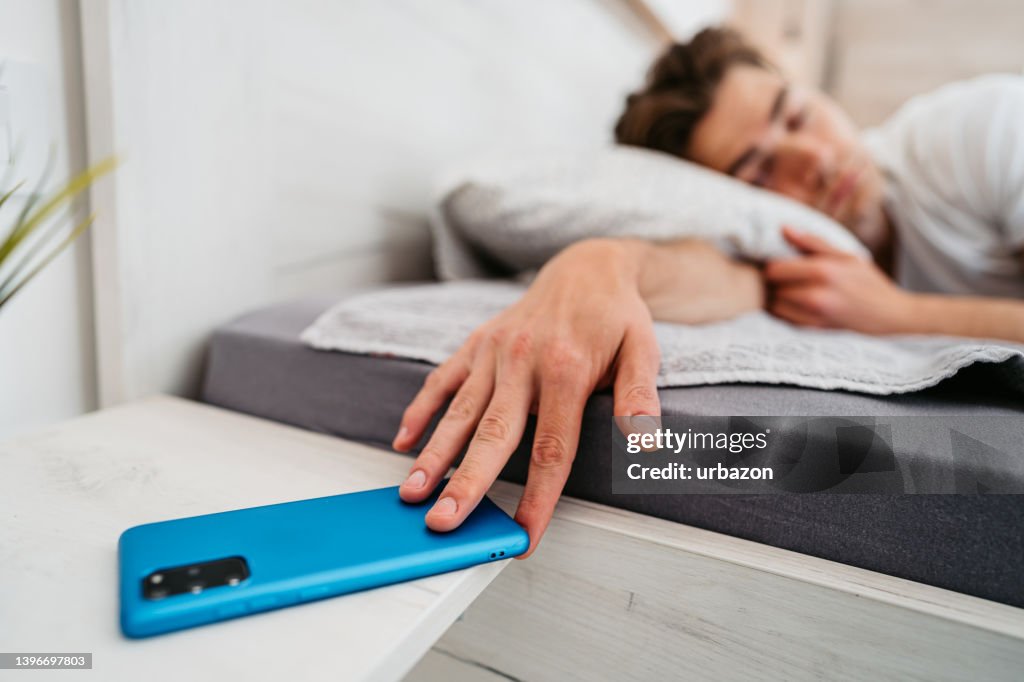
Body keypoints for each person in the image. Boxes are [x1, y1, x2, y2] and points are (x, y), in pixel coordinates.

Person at [394, 27, 1024, 556]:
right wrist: (600, 263)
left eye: (796, 114)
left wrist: (901, 314)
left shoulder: (977, 134)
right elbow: (718, 272)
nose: (814, 161)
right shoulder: (780, 255)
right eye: (758, 170)